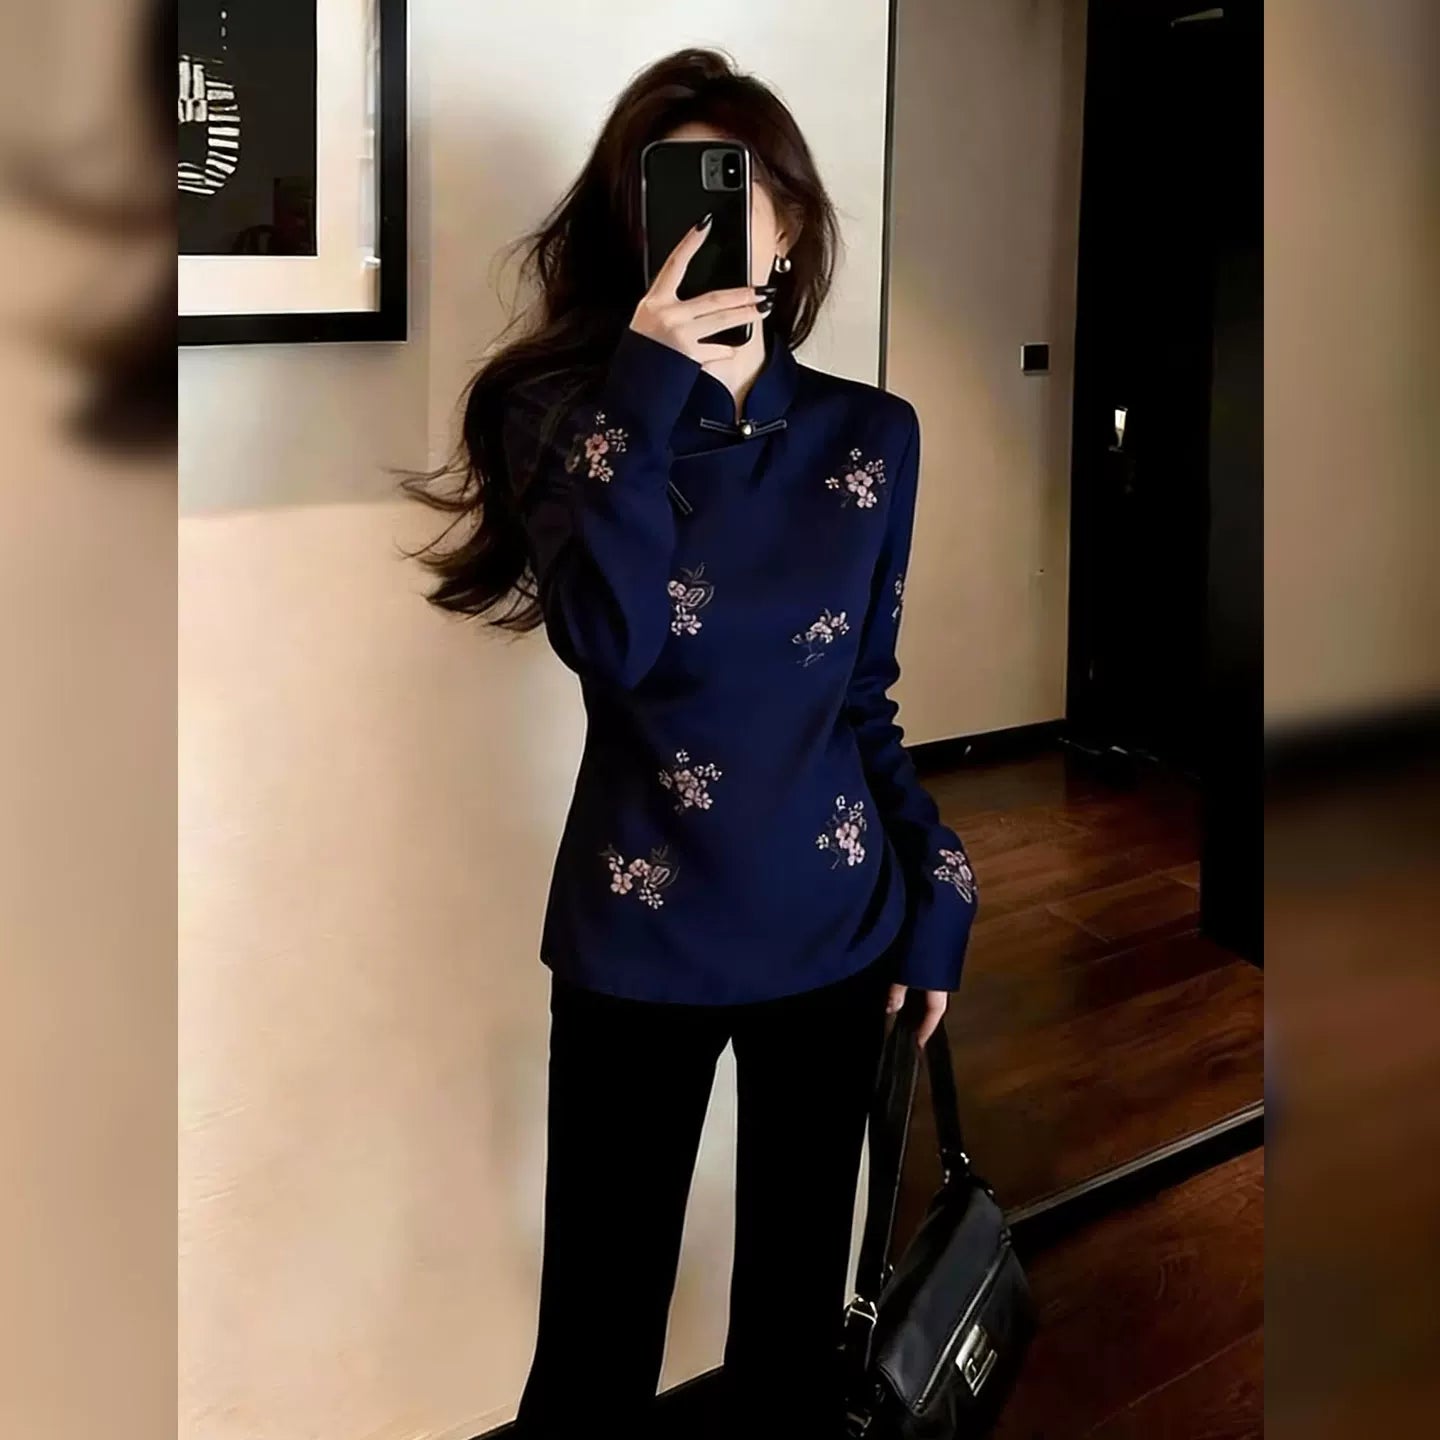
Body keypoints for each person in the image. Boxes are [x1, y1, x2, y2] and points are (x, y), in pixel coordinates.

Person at [404, 47, 978, 1440]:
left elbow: (864, 696)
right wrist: (648, 390)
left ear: (789, 228)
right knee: (595, 1352)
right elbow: (613, 643)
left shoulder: (873, 437)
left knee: (790, 1345)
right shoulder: (565, 418)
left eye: (743, 188)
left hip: (834, 933)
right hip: (639, 933)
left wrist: (939, 892)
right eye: (675, 196)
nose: (714, 223)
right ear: (635, 228)